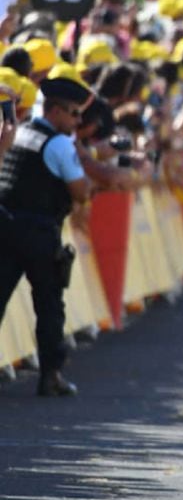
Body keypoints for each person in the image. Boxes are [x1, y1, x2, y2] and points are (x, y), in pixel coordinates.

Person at [0, 76, 95, 396]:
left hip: (6, 227)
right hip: (39, 232)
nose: (78, 121)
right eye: (73, 113)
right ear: (55, 111)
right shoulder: (57, 144)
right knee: (50, 305)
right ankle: (51, 375)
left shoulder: (22, 131)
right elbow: (81, 192)